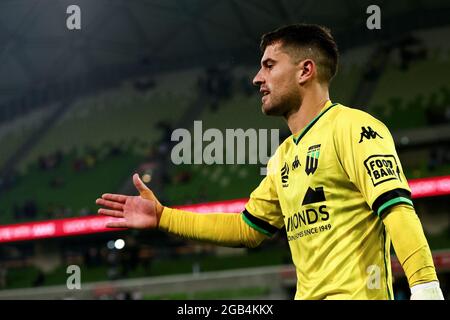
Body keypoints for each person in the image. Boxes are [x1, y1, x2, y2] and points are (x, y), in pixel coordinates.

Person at [96, 24, 444, 300]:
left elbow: (397, 209)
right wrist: (163, 217)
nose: (256, 78)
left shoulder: (355, 128)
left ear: (305, 70)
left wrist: (426, 289)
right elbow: (248, 229)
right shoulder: (283, 157)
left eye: (269, 65)